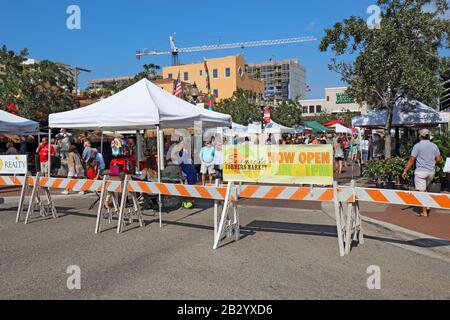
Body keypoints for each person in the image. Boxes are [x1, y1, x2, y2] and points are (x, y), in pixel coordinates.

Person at [402, 129, 441, 217]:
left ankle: (424, 212)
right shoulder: (434, 145)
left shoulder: (417, 146)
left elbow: (412, 159)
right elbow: (438, 159)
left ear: (420, 136)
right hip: (431, 172)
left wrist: (405, 170)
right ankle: (426, 205)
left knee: (422, 192)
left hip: (420, 172)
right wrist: (432, 164)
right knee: (424, 189)